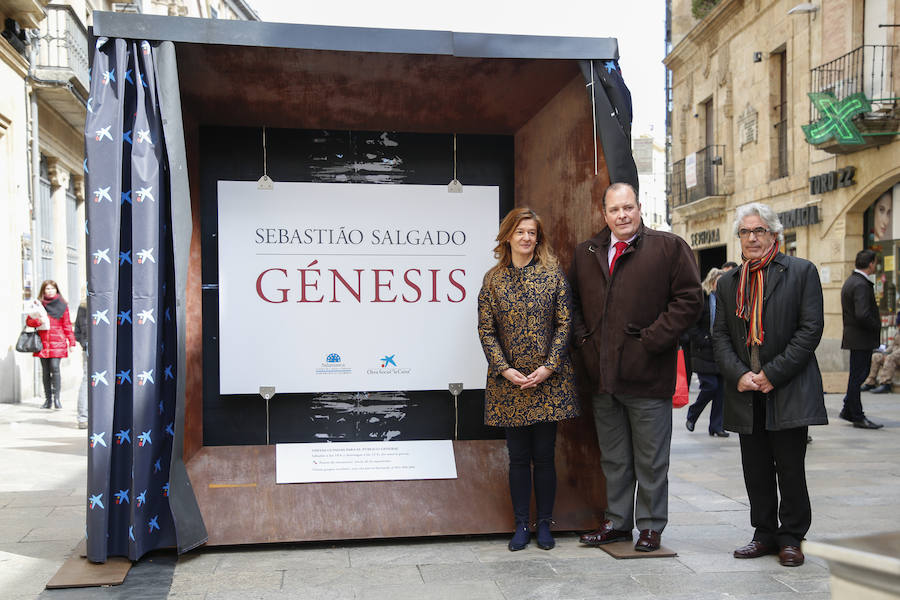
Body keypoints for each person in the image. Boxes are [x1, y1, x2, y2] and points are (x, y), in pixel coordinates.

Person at [570, 182, 702, 553]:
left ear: (639, 208)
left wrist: (652, 339)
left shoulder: (668, 247)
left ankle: (650, 527)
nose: (622, 215)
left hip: (647, 374)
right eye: (614, 210)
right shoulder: (587, 252)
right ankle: (617, 522)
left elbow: (690, 300)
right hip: (603, 376)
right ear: (604, 214)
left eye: (628, 207)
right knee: (614, 457)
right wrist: (585, 342)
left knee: (651, 459)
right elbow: (574, 304)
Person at [712, 203, 827, 568]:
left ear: (774, 234)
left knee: (791, 467)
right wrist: (740, 375)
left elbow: (810, 331)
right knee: (756, 468)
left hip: (788, 388)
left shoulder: (801, 272)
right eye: (745, 232)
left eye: (759, 230)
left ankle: (792, 537)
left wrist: (772, 374)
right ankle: (763, 533)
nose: (752, 238)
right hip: (746, 392)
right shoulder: (728, 282)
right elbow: (720, 337)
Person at [477, 207, 579, 552]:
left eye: (532, 232)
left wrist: (549, 367)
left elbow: (566, 324)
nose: (526, 238)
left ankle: (545, 525)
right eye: (520, 232)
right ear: (508, 236)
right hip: (509, 383)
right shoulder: (493, 279)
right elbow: (486, 329)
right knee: (518, 457)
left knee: (545, 456)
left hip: (547, 382)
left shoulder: (553, 275)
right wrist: (505, 369)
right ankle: (521, 524)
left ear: (539, 238)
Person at [839, 250, 884, 429]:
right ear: (871, 264)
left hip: (856, 338)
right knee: (858, 377)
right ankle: (857, 415)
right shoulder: (860, 285)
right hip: (861, 339)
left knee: (856, 376)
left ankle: (848, 409)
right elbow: (862, 314)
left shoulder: (853, 281)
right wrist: (876, 325)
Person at [685, 268, 729, 437]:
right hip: (703, 351)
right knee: (710, 386)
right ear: (712, 282)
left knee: (721, 392)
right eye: (719, 282)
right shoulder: (702, 299)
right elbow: (691, 324)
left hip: (720, 351)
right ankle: (692, 414)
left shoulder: (726, 299)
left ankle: (716, 426)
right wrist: (703, 339)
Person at [25, 281, 76, 409]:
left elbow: (67, 324)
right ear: (43, 290)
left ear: (56, 290)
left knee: (55, 368)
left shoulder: (62, 305)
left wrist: (71, 342)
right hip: (43, 342)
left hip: (57, 340)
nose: (50, 291)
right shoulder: (38, 305)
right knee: (45, 371)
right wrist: (38, 321)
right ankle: (48, 400)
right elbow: (29, 321)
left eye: (52, 288)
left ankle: (57, 399)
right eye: (47, 288)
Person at [73, 296, 89, 429]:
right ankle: (83, 417)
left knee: (87, 380)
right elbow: (77, 331)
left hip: (88, 348)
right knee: (87, 381)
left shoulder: (82, 306)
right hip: (90, 349)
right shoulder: (83, 307)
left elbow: (76, 331)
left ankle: (83, 417)